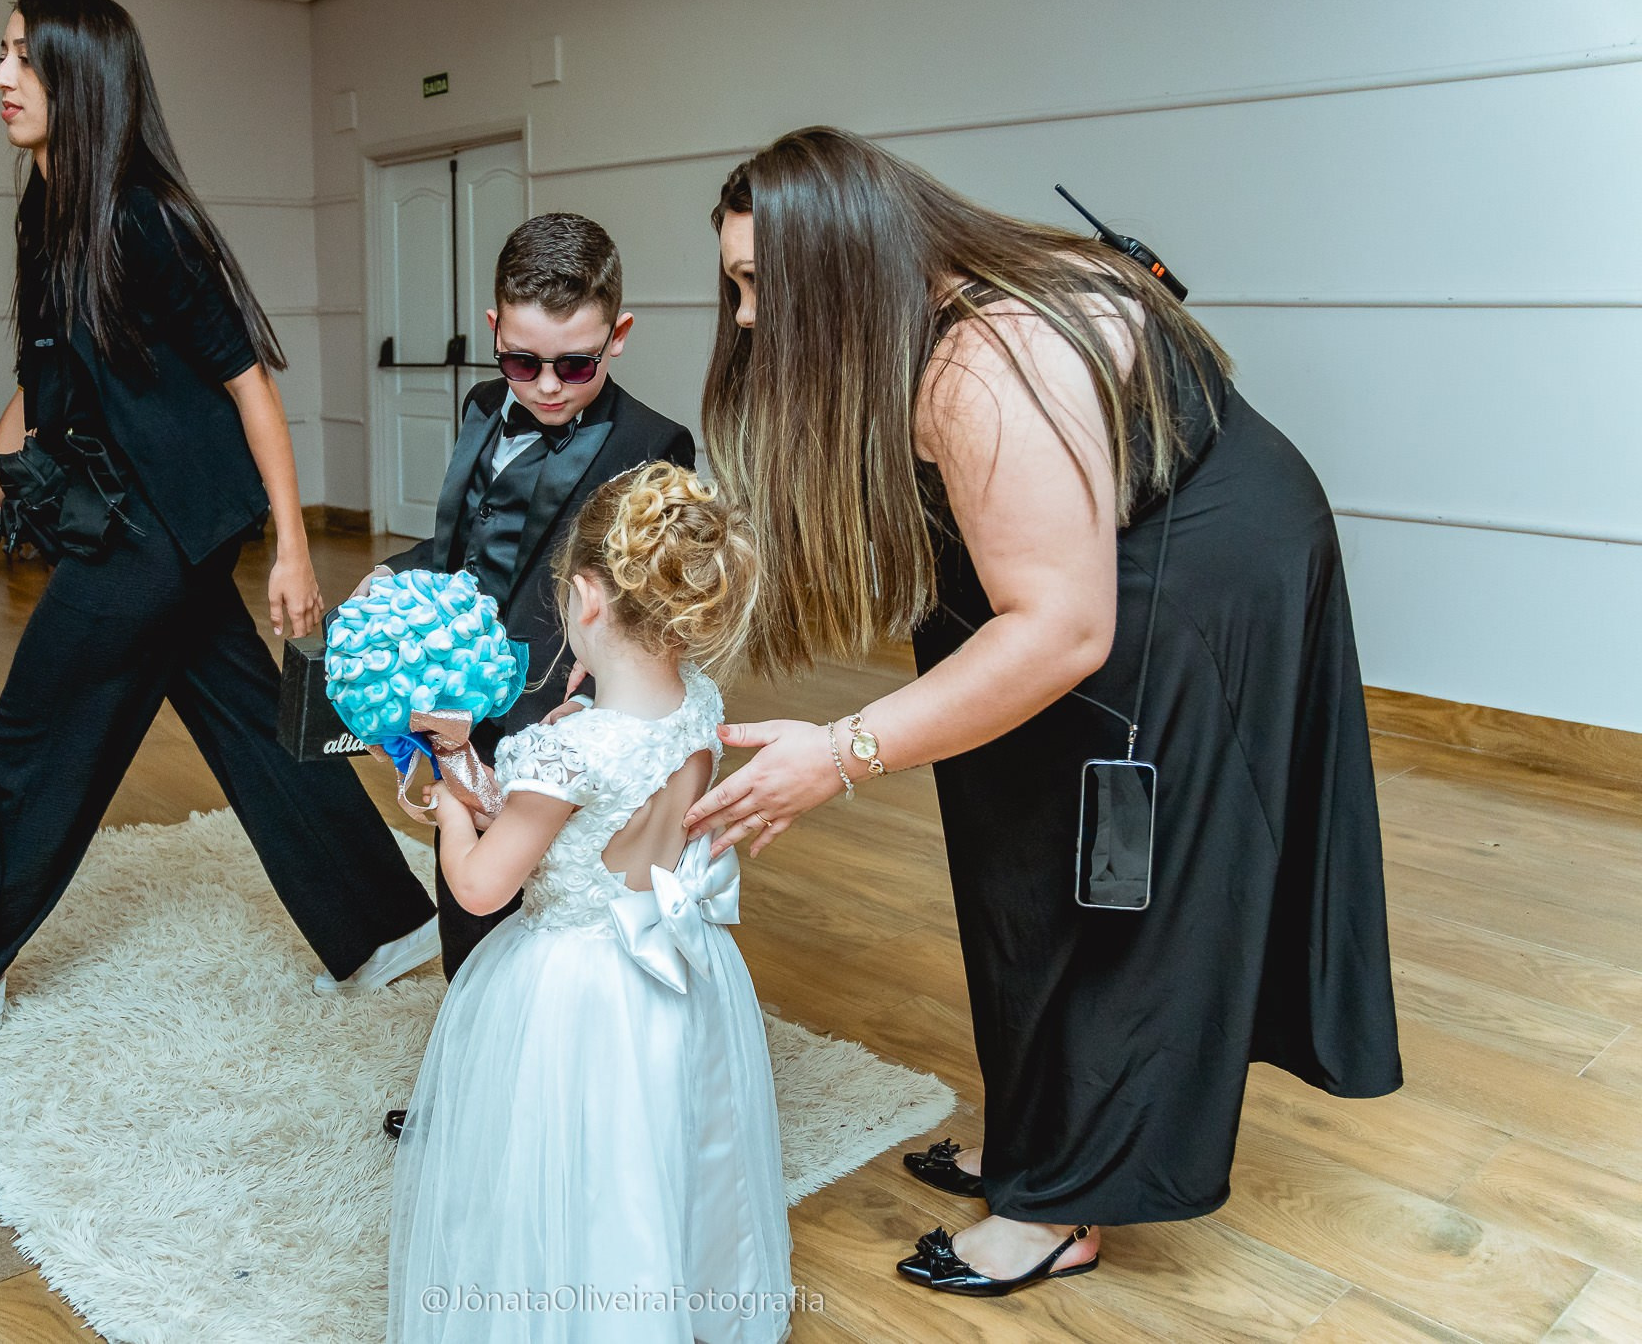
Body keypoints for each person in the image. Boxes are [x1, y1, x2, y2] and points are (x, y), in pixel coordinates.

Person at [684, 127, 1401, 1296]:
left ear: (844, 263)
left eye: (762, 281)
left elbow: (1063, 631)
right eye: (736, 284)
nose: (749, 315)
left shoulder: (986, 366)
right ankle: (1038, 1135)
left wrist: (844, 749)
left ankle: (1062, 1203)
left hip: (1190, 578)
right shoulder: (922, 317)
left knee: (1115, 886)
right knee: (1017, 856)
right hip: (1075, 569)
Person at [0, 0, 437, 1045]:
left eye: (23, 58)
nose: (0, 77)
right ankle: (387, 923)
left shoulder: (142, 218)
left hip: (161, 529)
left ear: (80, 78)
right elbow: (38, 389)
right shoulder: (45, 212)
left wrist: (295, 551)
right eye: (1, 53)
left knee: (33, 739)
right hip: (146, 520)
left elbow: (249, 383)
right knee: (252, 724)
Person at [387, 463, 792, 1344]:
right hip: (676, 967)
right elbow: (558, 809)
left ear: (584, 598)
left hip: (574, 988)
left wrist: (450, 808)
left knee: (565, 1164)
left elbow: (481, 884)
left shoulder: (566, 750)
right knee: (652, 1153)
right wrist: (466, 759)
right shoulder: (699, 704)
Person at [363, 213, 695, 1134]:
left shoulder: (654, 445)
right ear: (495, 330)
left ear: (618, 335)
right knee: (463, 907)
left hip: (558, 717)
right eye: (522, 361)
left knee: (535, 919)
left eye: (575, 365)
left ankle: (539, 1117)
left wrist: (589, 715)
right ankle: (473, 1090)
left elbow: (651, 603)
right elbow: (468, 544)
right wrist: (395, 575)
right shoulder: (482, 408)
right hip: (461, 697)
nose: (546, 385)